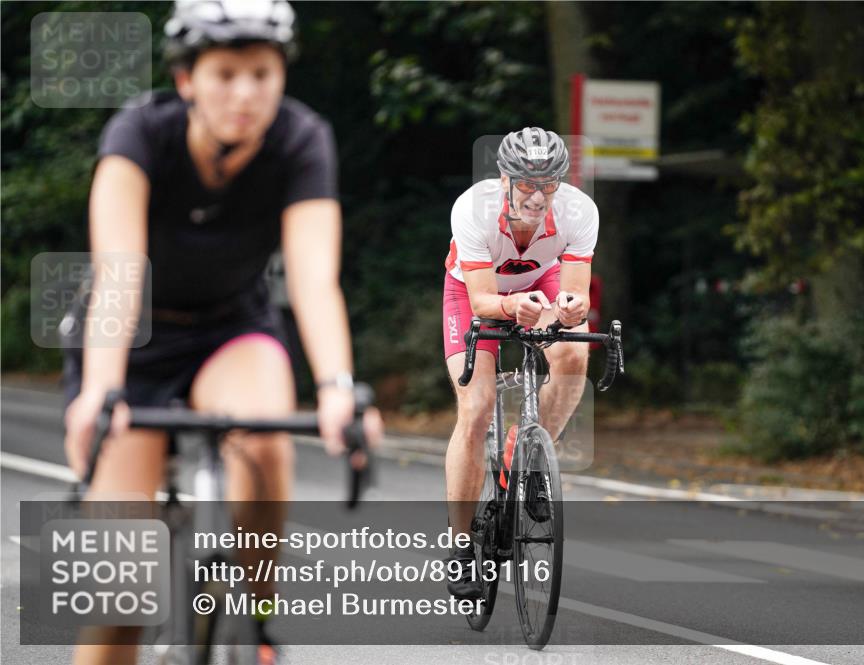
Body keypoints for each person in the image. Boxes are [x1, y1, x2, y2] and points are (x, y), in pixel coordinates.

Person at [61, 2, 379, 663]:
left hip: (232, 330)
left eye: (262, 73)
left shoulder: (301, 139)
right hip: (135, 341)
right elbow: (119, 271)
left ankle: (254, 618)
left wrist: (338, 388)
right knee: (121, 590)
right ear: (187, 81)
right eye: (225, 73)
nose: (245, 93)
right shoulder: (139, 134)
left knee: (266, 439)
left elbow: (314, 279)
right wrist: (101, 389)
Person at [441, 127, 598, 598]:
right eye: (527, 184)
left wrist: (569, 310)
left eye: (548, 184)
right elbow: (485, 300)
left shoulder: (579, 211)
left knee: (573, 350)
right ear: (505, 178)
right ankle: (461, 544)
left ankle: (528, 456)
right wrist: (513, 308)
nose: (537, 195)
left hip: (543, 280)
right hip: (475, 294)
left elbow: (575, 292)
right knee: (475, 407)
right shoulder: (473, 208)